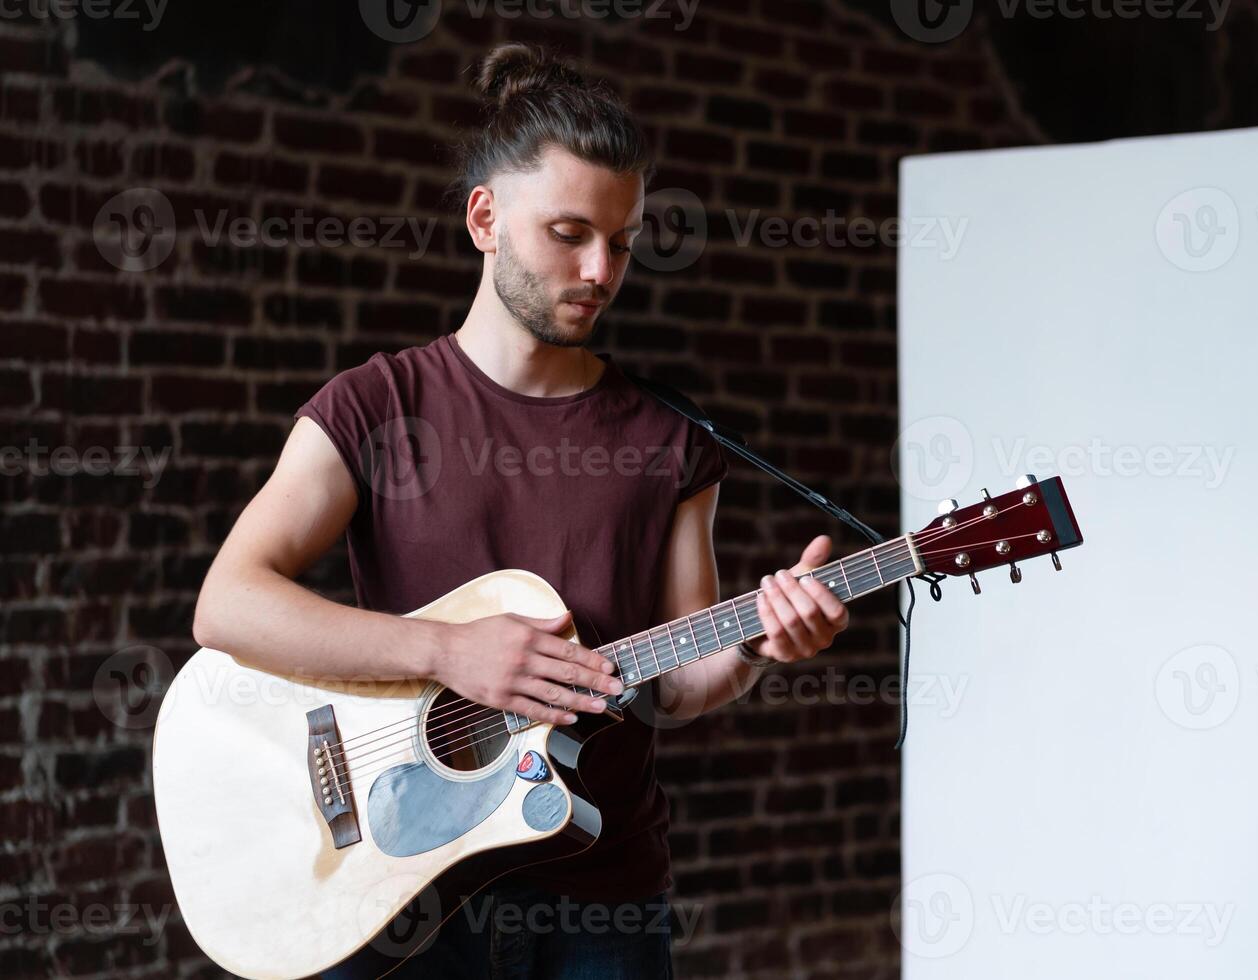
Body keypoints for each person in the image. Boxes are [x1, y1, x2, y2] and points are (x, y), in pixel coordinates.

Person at [190, 42, 850, 978]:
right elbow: (227, 605)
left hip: (600, 898)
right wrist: (449, 651)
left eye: (620, 243)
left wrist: (756, 641)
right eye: (569, 232)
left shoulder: (673, 441)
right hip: (396, 884)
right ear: (486, 218)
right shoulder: (374, 406)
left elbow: (678, 683)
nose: (599, 270)